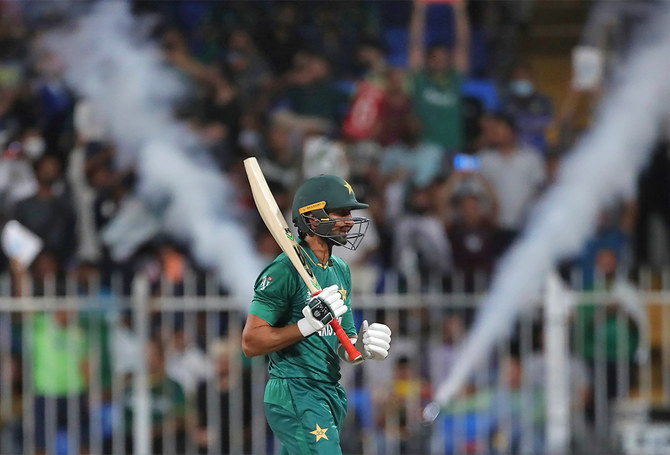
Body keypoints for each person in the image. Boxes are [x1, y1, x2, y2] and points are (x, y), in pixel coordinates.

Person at [242, 174, 393, 455]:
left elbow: (344, 344)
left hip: (329, 390)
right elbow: (251, 342)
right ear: (312, 219)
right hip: (294, 390)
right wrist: (305, 325)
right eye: (341, 213)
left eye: (350, 213)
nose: (350, 221)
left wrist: (360, 347)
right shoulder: (284, 270)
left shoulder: (340, 269)